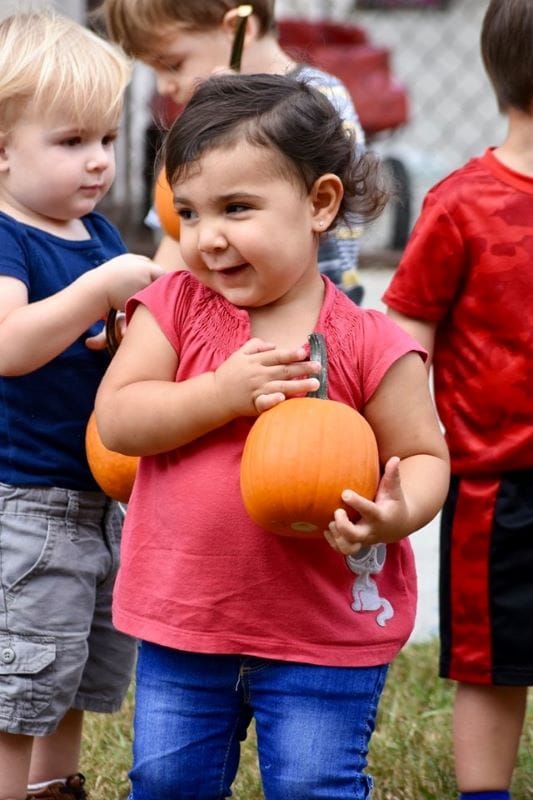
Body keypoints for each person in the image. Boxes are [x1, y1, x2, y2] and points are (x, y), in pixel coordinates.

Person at [95, 72, 450, 800]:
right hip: (185, 619)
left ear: (319, 204)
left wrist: (395, 511)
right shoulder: (175, 310)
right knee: (166, 784)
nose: (207, 237)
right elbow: (120, 419)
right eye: (188, 214)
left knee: (313, 783)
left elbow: (422, 455)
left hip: (321, 631)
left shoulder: (366, 342)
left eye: (236, 208)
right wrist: (218, 394)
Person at [0, 11, 165, 800]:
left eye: (105, 139)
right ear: (1, 150)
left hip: (100, 499)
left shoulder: (95, 232)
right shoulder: (9, 239)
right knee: (14, 690)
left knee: (66, 679)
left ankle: (54, 788)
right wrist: (97, 291)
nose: (98, 161)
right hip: (23, 507)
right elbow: (10, 345)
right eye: (71, 143)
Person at [382, 2, 533, 799]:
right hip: (495, 482)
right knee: (491, 660)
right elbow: (407, 321)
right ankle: (485, 794)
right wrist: (410, 435)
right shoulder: (462, 202)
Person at [99, 0, 367, 304]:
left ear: (239, 30)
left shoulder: (318, 100)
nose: (163, 87)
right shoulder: (208, 118)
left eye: (174, 64)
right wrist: (146, 310)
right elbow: (176, 238)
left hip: (309, 308)